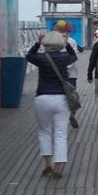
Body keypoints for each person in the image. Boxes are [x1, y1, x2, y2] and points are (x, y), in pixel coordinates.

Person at [26, 31, 78, 179]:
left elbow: (29, 56)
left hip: (42, 97)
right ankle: (57, 169)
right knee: (60, 135)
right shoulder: (64, 58)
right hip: (61, 99)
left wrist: (37, 43)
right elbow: (74, 56)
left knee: (44, 132)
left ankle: (47, 165)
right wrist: (67, 44)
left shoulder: (41, 58)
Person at [55, 21, 82, 129]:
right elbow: (73, 56)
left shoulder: (53, 42)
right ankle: (71, 113)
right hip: (71, 74)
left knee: (61, 95)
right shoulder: (72, 41)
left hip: (58, 74)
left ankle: (64, 115)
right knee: (72, 95)